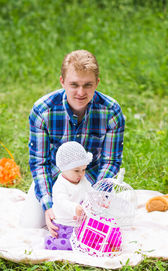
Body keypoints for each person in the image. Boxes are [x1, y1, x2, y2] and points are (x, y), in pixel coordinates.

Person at [20, 49, 125, 237]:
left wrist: (95, 198)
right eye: (74, 84)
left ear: (97, 83)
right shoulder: (43, 111)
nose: (81, 92)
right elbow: (39, 163)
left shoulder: (111, 111)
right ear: (62, 81)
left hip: (91, 180)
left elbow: (111, 161)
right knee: (31, 226)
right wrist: (48, 205)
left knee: (109, 227)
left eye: (88, 85)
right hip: (55, 178)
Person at [45, 141, 93, 250]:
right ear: (63, 168)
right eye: (76, 170)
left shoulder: (82, 180)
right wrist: (74, 208)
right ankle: (56, 243)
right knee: (72, 241)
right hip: (64, 224)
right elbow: (62, 202)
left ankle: (82, 242)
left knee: (90, 235)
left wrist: (96, 200)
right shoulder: (60, 184)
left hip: (80, 222)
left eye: (84, 169)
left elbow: (89, 192)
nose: (81, 174)